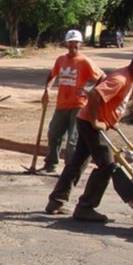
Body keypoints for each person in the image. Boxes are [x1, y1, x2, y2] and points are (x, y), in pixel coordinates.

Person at [45, 46, 133, 222]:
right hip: (90, 124)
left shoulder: (129, 76)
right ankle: (85, 207)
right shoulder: (121, 78)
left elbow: (110, 102)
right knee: (107, 166)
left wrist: (111, 120)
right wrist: (95, 121)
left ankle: (56, 201)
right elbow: (94, 95)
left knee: (77, 163)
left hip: (87, 121)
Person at [41, 30, 105, 173]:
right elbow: (52, 75)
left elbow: (102, 77)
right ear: (66, 43)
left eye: (75, 42)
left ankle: (69, 171)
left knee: (72, 141)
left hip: (78, 105)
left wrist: (90, 91)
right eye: (70, 42)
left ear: (80, 43)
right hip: (61, 104)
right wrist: (47, 89)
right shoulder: (60, 60)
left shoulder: (85, 61)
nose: (72, 45)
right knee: (53, 135)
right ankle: (50, 165)